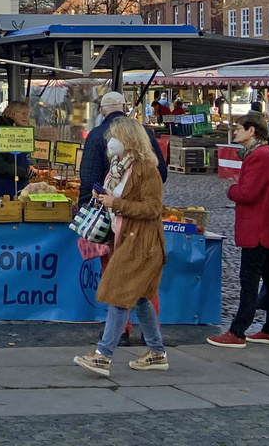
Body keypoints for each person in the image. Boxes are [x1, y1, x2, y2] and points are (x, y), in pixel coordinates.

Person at [74, 116, 169, 376]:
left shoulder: (147, 169)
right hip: (124, 239)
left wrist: (116, 204)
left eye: (116, 136)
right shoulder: (118, 167)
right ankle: (157, 352)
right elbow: (117, 199)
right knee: (140, 298)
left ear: (129, 139)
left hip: (142, 244)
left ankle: (102, 356)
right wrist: (103, 197)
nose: (111, 141)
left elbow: (153, 208)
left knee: (119, 294)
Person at [209, 112, 269, 347]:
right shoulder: (265, 153)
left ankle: (238, 331)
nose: (235, 131)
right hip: (268, 228)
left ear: (252, 131)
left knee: (250, 280)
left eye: (239, 127)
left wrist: (232, 190)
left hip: (258, 229)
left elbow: (247, 193)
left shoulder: (259, 156)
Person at [80, 92, 167, 199]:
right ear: (125, 108)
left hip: (107, 205)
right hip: (140, 203)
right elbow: (161, 173)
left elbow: (89, 178)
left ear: (101, 111)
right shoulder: (144, 132)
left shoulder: (95, 135)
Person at [0, 100, 33, 199]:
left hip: (20, 188)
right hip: (0, 189)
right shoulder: (0, 134)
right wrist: (22, 172)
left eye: (28, 114)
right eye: (23, 113)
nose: (26, 117)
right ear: (12, 113)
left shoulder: (23, 133)